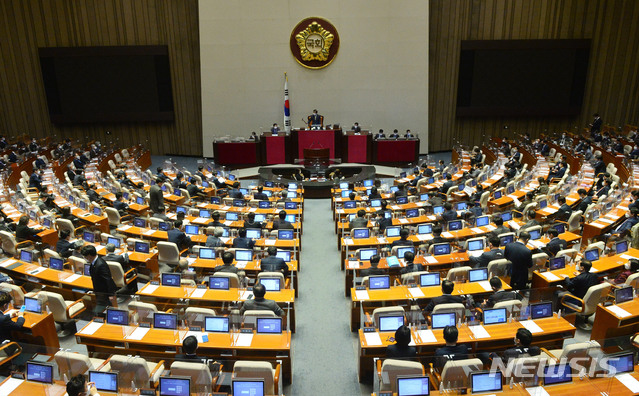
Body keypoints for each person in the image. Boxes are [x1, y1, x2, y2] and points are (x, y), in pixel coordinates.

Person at [82, 245, 117, 314]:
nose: (85, 258)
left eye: (85, 256)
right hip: (99, 291)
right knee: (106, 309)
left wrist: (111, 294)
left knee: (98, 311)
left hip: (105, 292)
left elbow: (108, 279)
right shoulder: (94, 262)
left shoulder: (101, 264)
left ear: (89, 256)